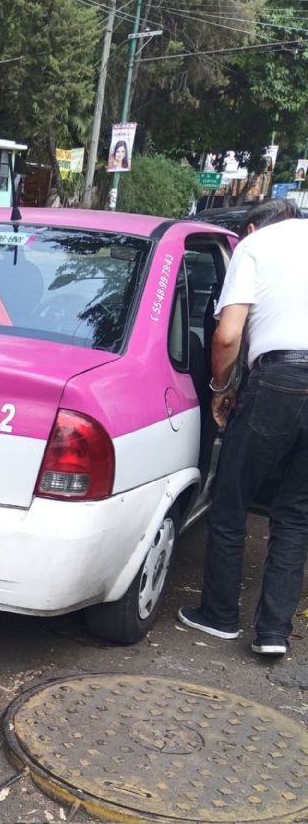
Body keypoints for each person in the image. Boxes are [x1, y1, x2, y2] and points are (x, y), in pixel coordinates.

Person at [178, 197, 308, 658]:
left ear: (252, 226)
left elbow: (228, 334)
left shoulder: (255, 247)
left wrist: (220, 388)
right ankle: (274, 632)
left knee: (231, 498)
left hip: (278, 381)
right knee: (295, 516)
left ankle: (219, 616)